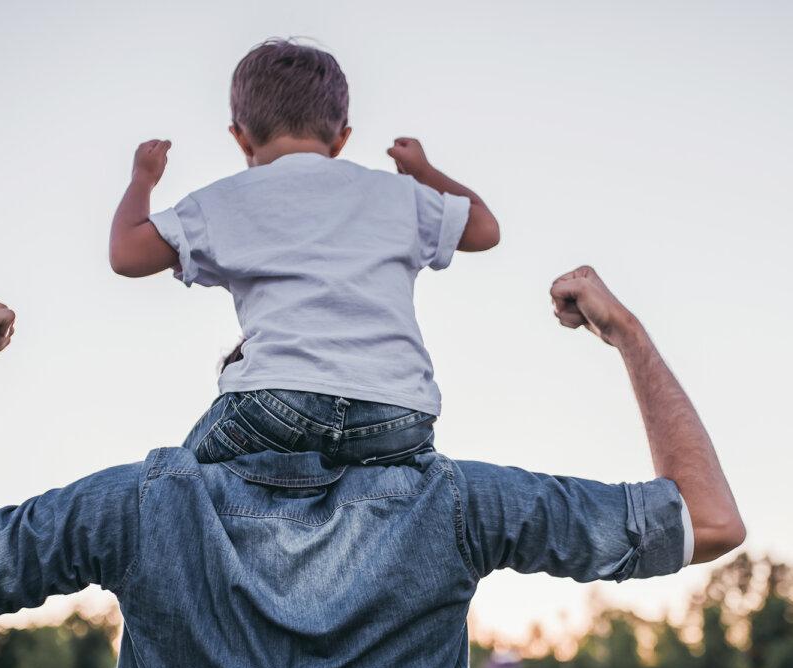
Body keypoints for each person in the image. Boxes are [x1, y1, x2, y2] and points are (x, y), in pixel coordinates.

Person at [0, 266, 744, 668]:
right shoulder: (456, 507)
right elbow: (708, 520)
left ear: (234, 381)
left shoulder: (134, 510)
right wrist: (625, 334)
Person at [109, 38, 501, 467]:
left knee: (177, 481)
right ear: (341, 139)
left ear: (240, 138)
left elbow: (126, 254)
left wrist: (142, 179)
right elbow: (485, 229)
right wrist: (424, 172)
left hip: (278, 404)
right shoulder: (397, 194)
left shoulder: (226, 200)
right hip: (399, 413)